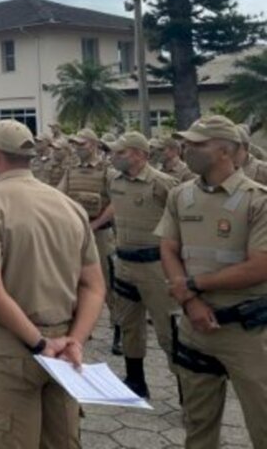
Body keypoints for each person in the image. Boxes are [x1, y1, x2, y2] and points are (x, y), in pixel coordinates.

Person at [0, 120, 105, 448]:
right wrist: (75, 341)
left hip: (13, 345)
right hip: (66, 344)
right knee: (61, 439)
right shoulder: (68, 206)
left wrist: (40, 344)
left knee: (10, 438)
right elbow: (94, 287)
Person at [154, 115, 267, 449]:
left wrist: (193, 286)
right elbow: (168, 247)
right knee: (198, 425)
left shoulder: (257, 200)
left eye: (197, 144)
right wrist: (191, 301)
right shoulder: (180, 195)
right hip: (195, 329)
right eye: (186, 142)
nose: (186, 148)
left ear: (224, 151)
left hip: (246, 334)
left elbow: (260, 266)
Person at [105, 131, 178, 399]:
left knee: (168, 330)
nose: (114, 156)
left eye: (121, 152)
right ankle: (135, 381)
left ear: (139, 155)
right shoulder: (115, 181)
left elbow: (180, 222)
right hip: (125, 263)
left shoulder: (162, 183)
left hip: (155, 267)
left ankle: (188, 392)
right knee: (129, 325)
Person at [59, 128, 121, 354]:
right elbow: (61, 195)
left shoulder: (107, 172)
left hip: (100, 233)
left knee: (106, 282)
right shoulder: (71, 170)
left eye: (82, 144)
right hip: (77, 233)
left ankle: (119, 328)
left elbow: (116, 203)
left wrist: (94, 225)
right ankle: (82, 327)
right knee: (75, 281)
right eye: (75, 144)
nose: (77, 148)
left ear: (94, 145)